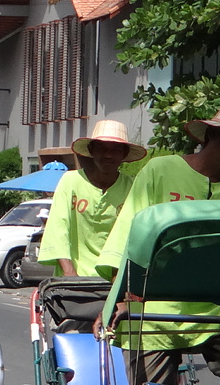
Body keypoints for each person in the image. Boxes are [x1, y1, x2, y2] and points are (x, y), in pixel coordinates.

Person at [96, 97, 220, 385]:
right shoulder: (160, 171)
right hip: (154, 310)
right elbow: (127, 236)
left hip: (219, 314)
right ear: (215, 135)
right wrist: (118, 297)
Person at [40, 119, 146, 279]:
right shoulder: (70, 181)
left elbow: (132, 237)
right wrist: (70, 274)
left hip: (116, 278)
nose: (108, 155)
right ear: (91, 150)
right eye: (102, 149)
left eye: (116, 150)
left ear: (124, 154)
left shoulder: (132, 188)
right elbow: (58, 228)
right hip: (73, 278)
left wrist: (119, 285)